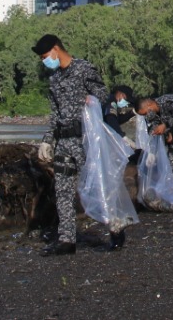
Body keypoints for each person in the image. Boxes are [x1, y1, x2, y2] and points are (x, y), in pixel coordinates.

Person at [32, 34, 122, 255]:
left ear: (56, 49)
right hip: (64, 141)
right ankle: (67, 240)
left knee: (97, 185)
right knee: (62, 189)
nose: (45, 61)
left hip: (85, 139)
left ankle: (116, 227)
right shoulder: (54, 79)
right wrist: (47, 141)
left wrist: (92, 100)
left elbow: (103, 95)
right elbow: (55, 114)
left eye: (45, 56)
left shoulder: (83, 68)